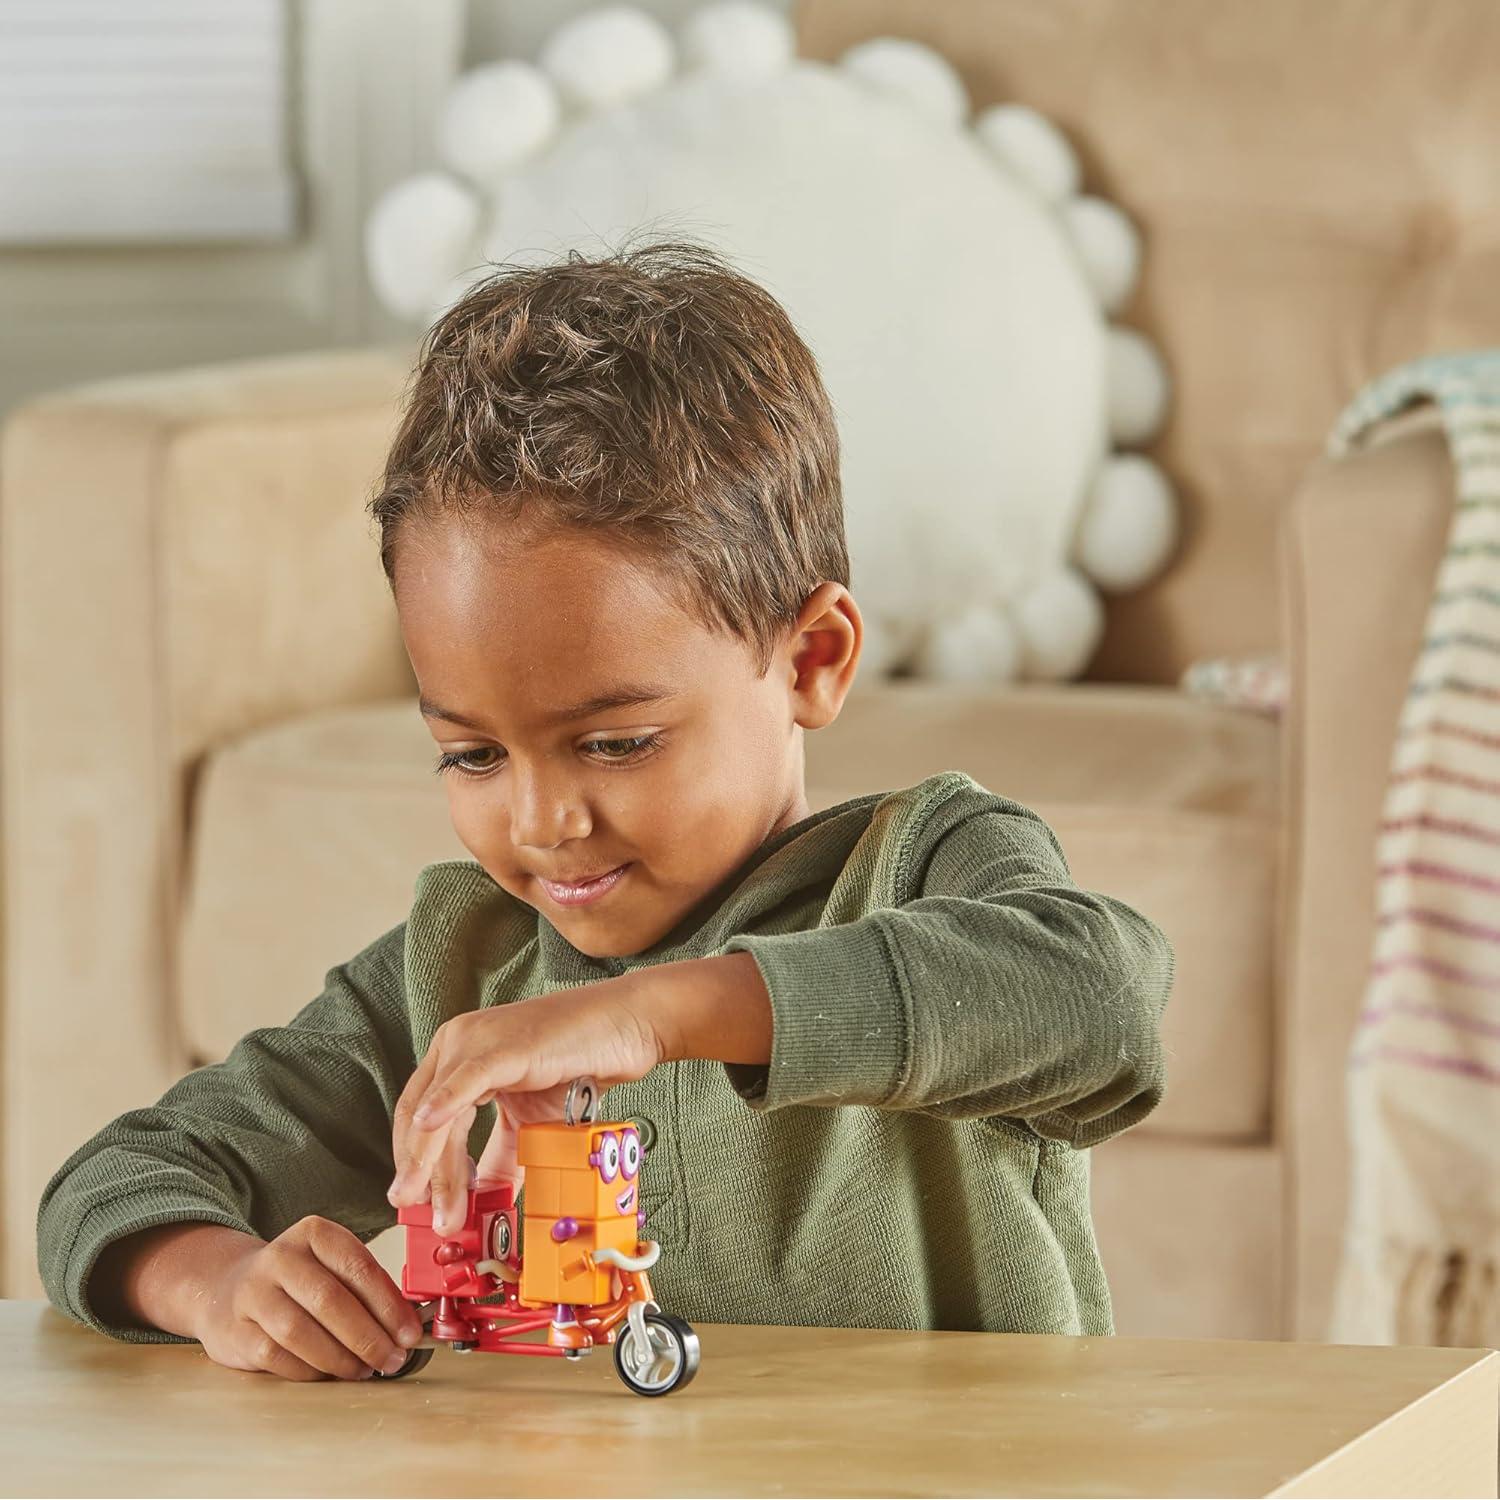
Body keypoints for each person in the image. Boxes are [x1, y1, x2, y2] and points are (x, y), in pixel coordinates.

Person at [37, 240, 1174, 1384]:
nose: (541, 822)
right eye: (472, 754)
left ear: (811, 660)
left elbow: (1102, 996)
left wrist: (657, 1013)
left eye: (617, 743)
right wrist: (220, 1284)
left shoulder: (928, 863)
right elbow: (117, 1179)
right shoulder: (460, 976)